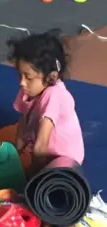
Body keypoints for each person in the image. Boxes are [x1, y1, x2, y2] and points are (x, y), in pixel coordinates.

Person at [8, 29, 84, 177]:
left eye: (28, 77)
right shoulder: (28, 88)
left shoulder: (54, 95)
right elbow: (23, 119)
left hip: (64, 160)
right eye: (20, 75)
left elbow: (40, 148)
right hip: (38, 145)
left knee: (39, 185)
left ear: (51, 77)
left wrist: (30, 176)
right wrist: (16, 154)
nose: (22, 82)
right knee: (5, 146)